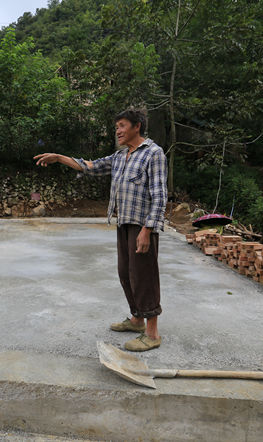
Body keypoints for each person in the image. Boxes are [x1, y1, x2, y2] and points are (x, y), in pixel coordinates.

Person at [34, 109, 167, 352]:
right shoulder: (120, 157)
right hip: (124, 222)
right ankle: (137, 318)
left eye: (122, 125)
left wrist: (148, 229)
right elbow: (91, 166)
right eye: (116, 126)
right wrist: (59, 158)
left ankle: (152, 332)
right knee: (126, 274)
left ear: (137, 126)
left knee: (144, 275)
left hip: (141, 225)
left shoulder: (153, 153)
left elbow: (159, 195)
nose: (118, 130)